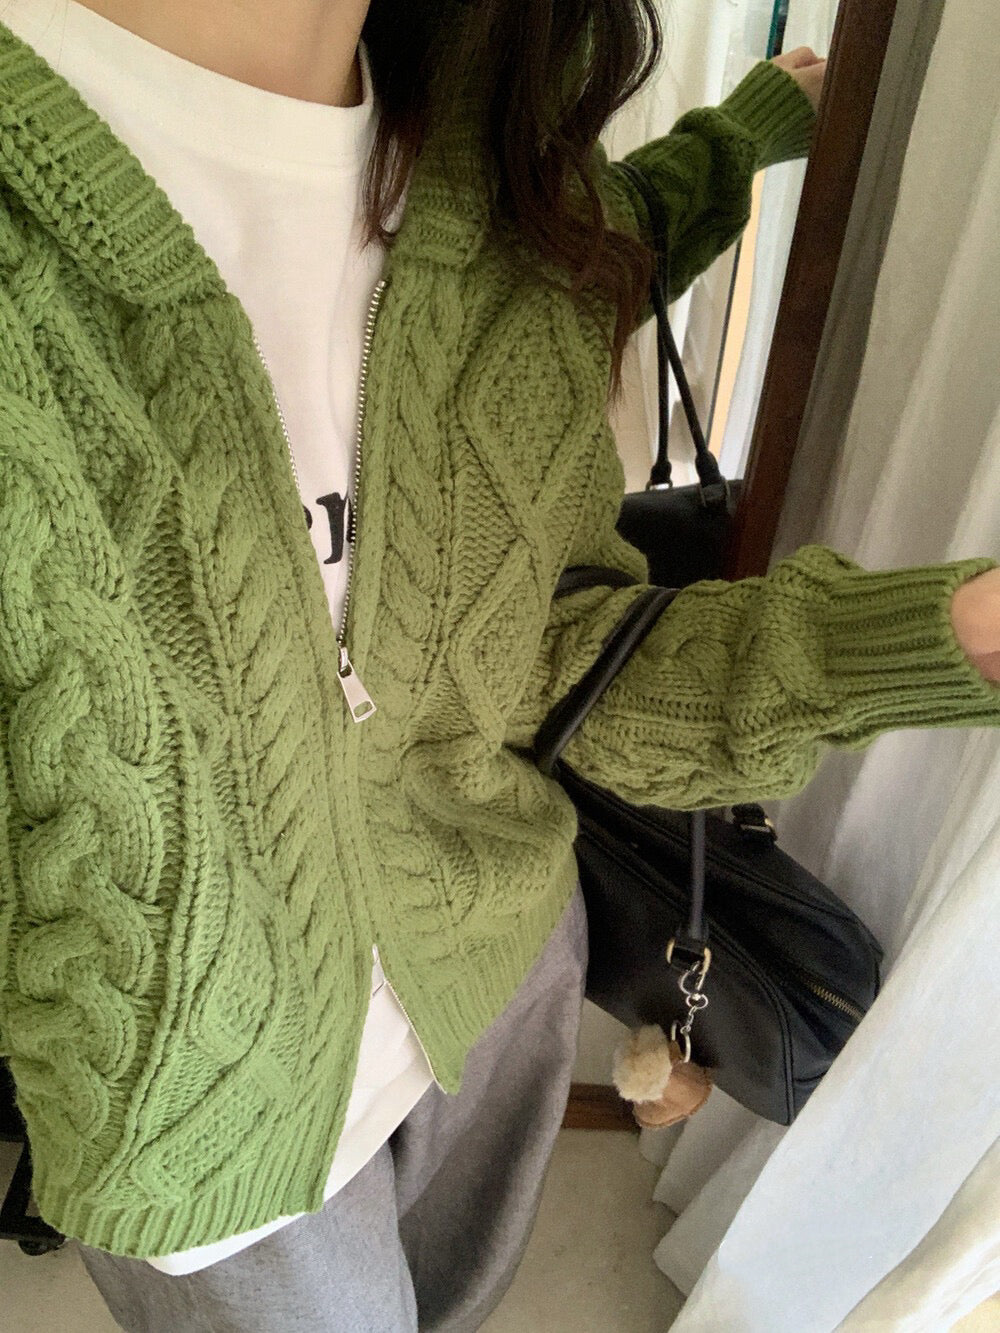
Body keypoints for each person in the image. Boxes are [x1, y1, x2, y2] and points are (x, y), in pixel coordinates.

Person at [0, 1, 998, 1330]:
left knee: (455, 1305)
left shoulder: (499, 165)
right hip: (200, 1100)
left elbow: (562, 657)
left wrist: (945, 635)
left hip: (497, 963)